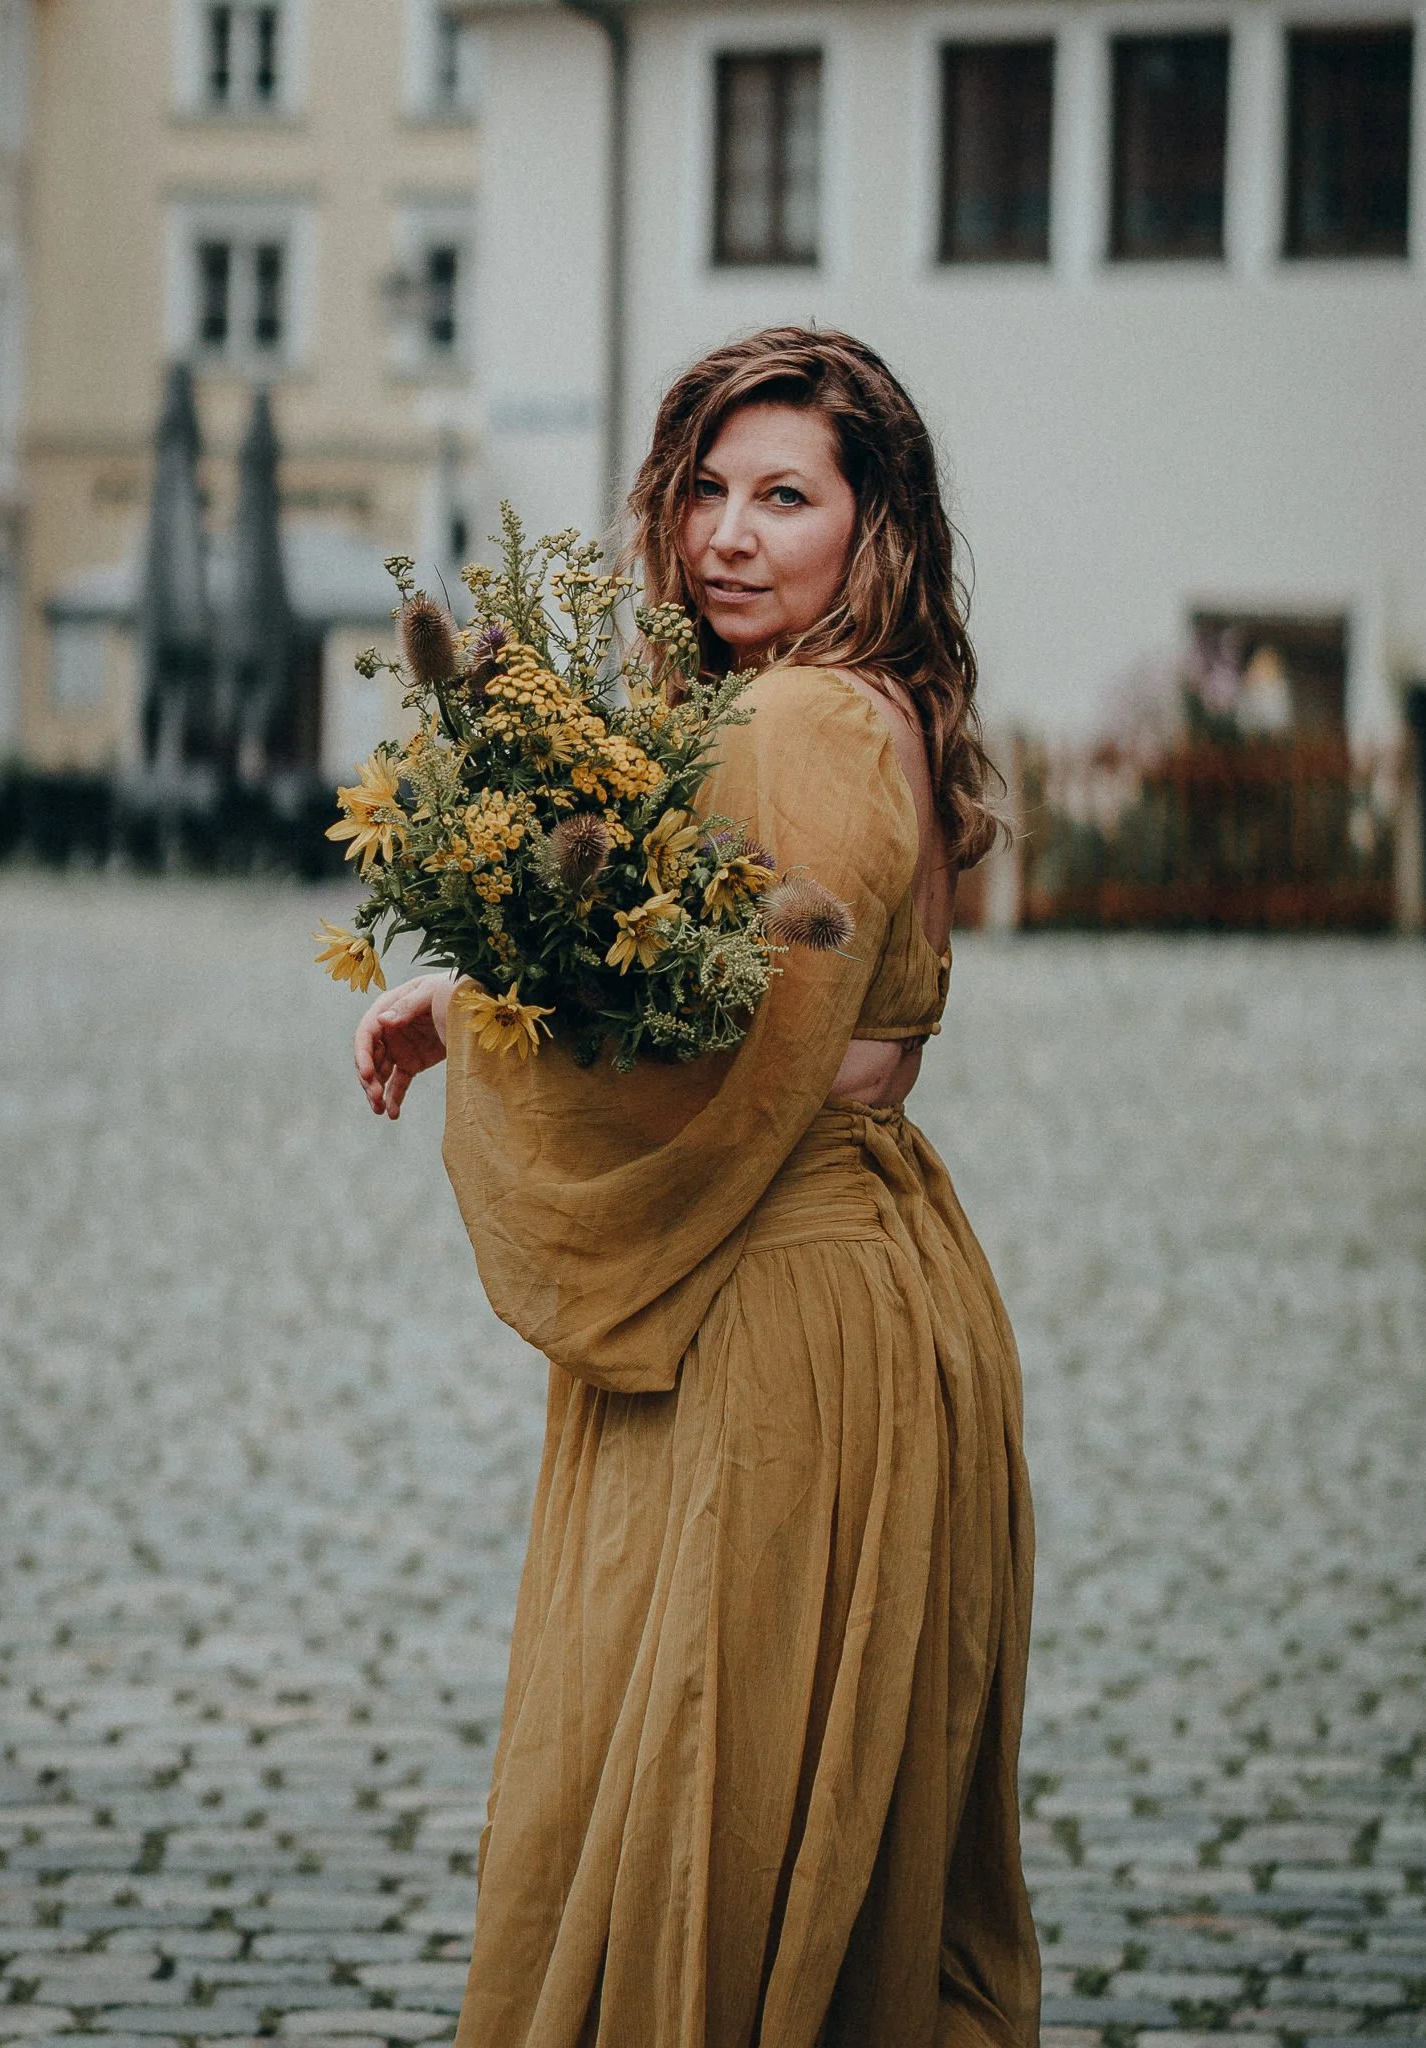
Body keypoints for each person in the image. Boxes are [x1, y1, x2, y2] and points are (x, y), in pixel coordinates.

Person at [352, 329, 1039, 2047]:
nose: (728, 534)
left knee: (692, 1795)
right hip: (874, 1288)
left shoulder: (798, 719)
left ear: (871, 526)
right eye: (708, 494)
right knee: (801, 1798)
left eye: (784, 497)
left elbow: (707, 1060)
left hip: (762, 1320)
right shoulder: (890, 708)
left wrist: (460, 998)